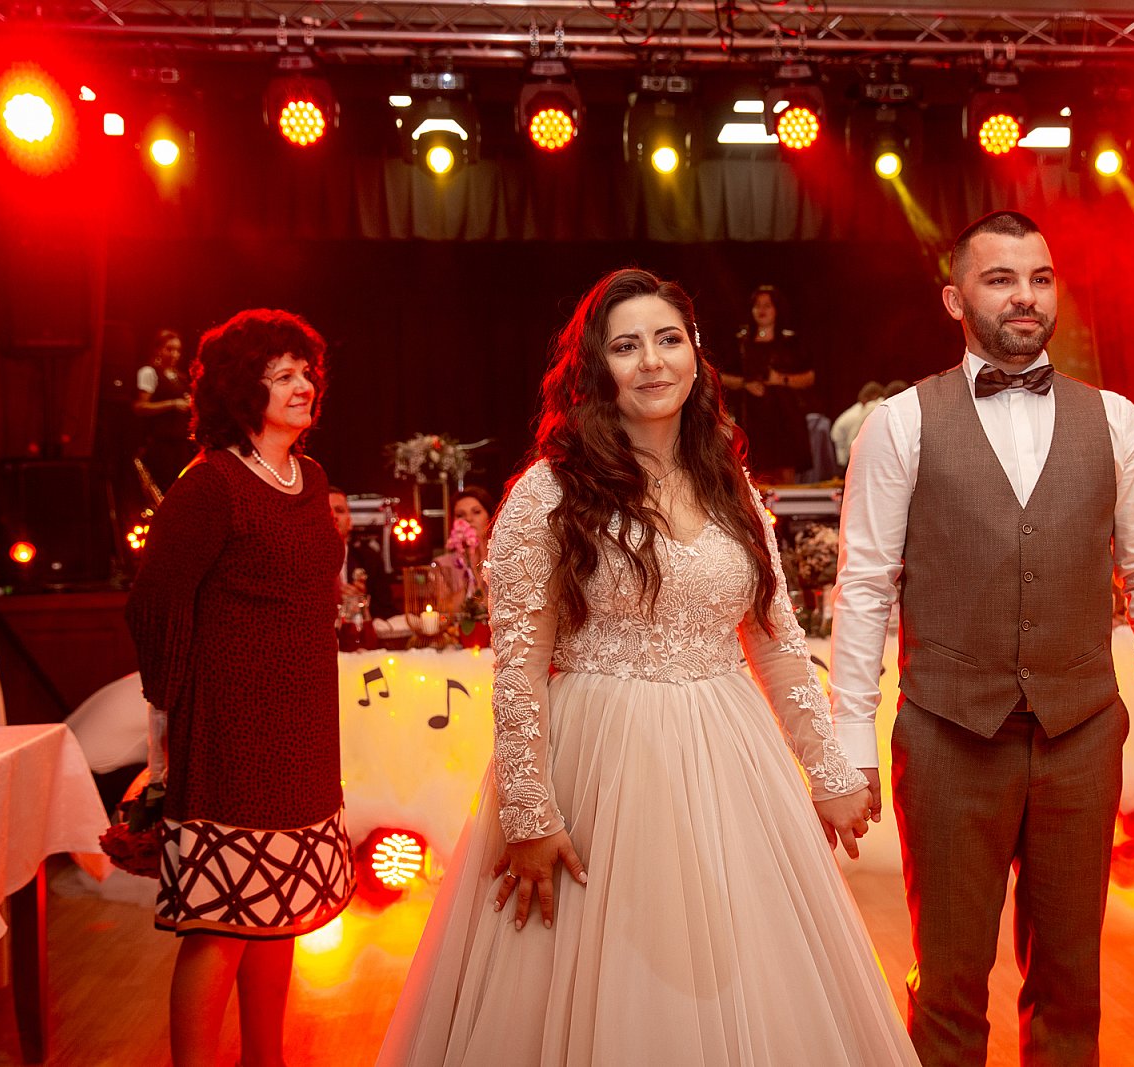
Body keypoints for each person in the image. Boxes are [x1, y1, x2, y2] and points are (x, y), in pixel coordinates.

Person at [377, 268, 920, 1067]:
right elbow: (519, 668)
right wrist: (529, 811)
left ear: (696, 354)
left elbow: (774, 640)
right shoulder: (549, 493)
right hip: (601, 765)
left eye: (668, 339)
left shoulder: (730, 485)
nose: (653, 360)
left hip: (732, 761)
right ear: (595, 367)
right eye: (626, 346)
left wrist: (829, 768)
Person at [831, 210, 1134, 1066]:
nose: (1025, 296)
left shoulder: (1118, 422)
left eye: (1040, 277)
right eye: (1000, 279)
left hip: (1081, 733)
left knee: (1071, 984)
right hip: (949, 736)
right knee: (949, 983)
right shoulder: (901, 423)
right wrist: (850, 745)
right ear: (955, 299)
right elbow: (865, 588)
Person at [126, 309, 352, 1067]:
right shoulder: (211, 485)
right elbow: (154, 604)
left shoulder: (310, 478)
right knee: (221, 922)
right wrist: (175, 719)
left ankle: (266, 1059)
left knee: (280, 911)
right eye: (282, 374)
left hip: (303, 730)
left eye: (306, 371)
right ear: (238, 388)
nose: (303, 385)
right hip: (233, 734)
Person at [718, 285, 814, 483]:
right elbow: (720, 376)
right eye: (757, 305)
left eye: (767, 305)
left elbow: (810, 377)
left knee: (785, 472)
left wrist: (782, 379)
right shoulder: (741, 342)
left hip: (784, 416)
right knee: (752, 472)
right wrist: (745, 384)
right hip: (751, 418)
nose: (761, 310)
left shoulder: (790, 341)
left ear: (776, 309)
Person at [133, 328, 196, 492]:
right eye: (169, 349)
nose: (174, 354)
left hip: (180, 445)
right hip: (160, 445)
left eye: (178, 350)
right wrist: (172, 404)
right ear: (158, 349)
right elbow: (140, 407)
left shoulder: (181, 378)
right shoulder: (149, 372)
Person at [329, 485, 397, 620]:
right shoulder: (303, 564)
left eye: (339, 510)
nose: (334, 516)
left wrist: (362, 603)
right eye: (327, 511)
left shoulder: (369, 560)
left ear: (350, 522)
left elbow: (387, 611)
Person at [432, 485, 495, 617]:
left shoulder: (505, 560)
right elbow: (443, 611)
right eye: (460, 515)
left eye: (476, 512)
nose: (469, 519)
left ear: (489, 517)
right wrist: (470, 572)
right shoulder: (442, 565)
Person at [830, 381, 885, 472]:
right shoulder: (873, 407)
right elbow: (852, 440)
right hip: (844, 454)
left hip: (843, 451)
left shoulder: (865, 408)